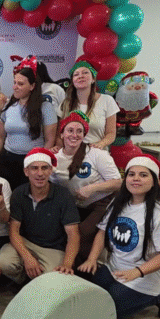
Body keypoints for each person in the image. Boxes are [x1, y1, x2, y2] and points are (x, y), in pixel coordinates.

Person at [78, 155, 160, 319]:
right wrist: (92, 259)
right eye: (131, 174)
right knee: (89, 299)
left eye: (143, 175)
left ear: (154, 182)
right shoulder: (117, 204)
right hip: (114, 268)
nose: (136, 179)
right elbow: (102, 232)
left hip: (144, 277)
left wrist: (137, 272)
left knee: (106, 313)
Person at [0, 148, 80, 284]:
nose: (40, 173)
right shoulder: (19, 193)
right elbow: (13, 231)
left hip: (53, 249)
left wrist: (67, 264)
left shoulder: (63, 195)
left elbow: (73, 235)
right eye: (34, 168)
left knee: (56, 278)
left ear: (50, 170)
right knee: (3, 263)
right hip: (26, 242)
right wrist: (27, 258)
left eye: (44, 168)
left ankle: (37, 281)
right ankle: (27, 280)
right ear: (26, 172)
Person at [50, 111, 122, 269]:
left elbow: (118, 183)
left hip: (101, 203)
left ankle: (86, 270)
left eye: (79, 131)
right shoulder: (55, 158)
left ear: (84, 135)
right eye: (70, 130)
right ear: (61, 134)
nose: (74, 135)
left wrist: (92, 188)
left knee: (80, 234)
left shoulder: (96, 154)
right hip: (75, 206)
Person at [0, 66, 58, 190]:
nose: (15, 87)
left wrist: (39, 163)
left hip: (32, 162)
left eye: (20, 84)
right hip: (7, 160)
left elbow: (50, 140)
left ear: (32, 86)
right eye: (14, 83)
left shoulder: (45, 107)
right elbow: (0, 136)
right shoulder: (8, 105)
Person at [57, 61, 119, 150]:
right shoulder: (65, 103)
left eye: (85, 72)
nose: (80, 76)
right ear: (73, 81)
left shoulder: (107, 100)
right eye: (76, 74)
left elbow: (111, 133)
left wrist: (100, 144)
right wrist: (59, 148)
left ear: (93, 79)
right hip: (71, 153)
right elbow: (59, 134)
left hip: (97, 152)